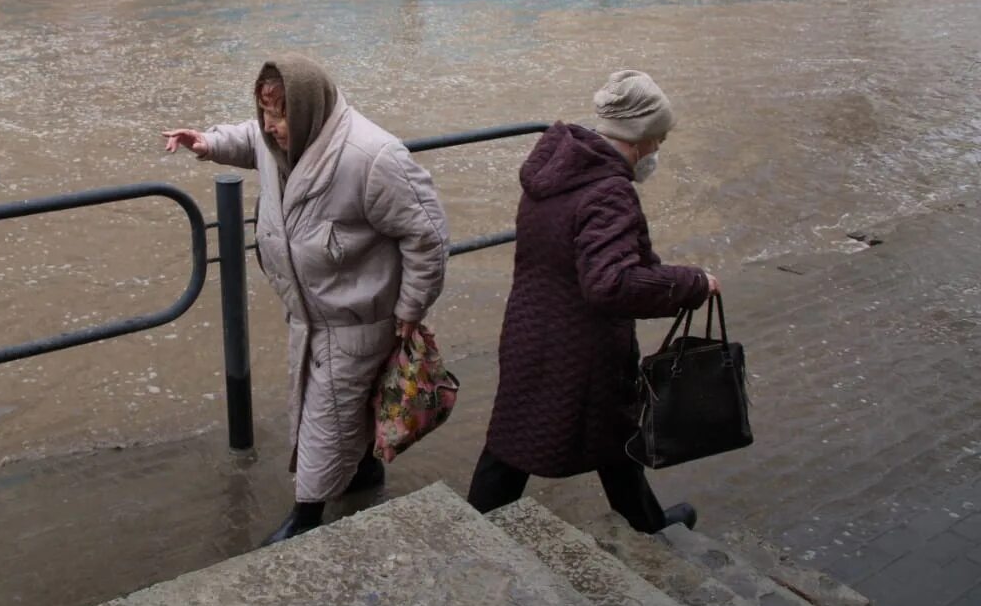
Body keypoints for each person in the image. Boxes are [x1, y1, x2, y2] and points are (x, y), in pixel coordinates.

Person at [164, 55, 449, 546]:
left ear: (310, 111)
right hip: (310, 312)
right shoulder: (279, 139)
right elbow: (249, 137)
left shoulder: (372, 157)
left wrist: (409, 308)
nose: (271, 127)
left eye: (280, 116)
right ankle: (362, 474)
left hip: (356, 316)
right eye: (266, 113)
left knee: (327, 415)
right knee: (345, 408)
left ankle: (306, 517)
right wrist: (208, 143)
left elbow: (428, 236)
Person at [466, 70, 718, 533]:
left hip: (530, 329)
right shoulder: (610, 191)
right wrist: (692, 283)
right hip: (581, 349)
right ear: (639, 139)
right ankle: (479, 534)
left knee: (530, 439)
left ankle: (647, 523)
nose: (658, 150)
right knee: (602, 439)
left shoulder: (554, 172)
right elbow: (611, 284)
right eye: (658, 140)